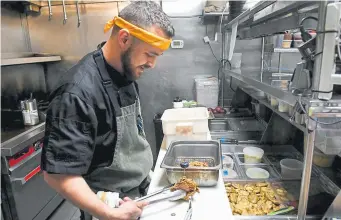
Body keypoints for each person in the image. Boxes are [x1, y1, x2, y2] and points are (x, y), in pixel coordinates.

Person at [40, 2, 174, 220]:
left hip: (139, 193)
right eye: (150, 54)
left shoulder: (126, 72)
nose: (152, 64)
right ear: (124, 39)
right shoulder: (77, 93)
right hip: (111, 206)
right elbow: (58, 175)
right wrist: (109, 213)